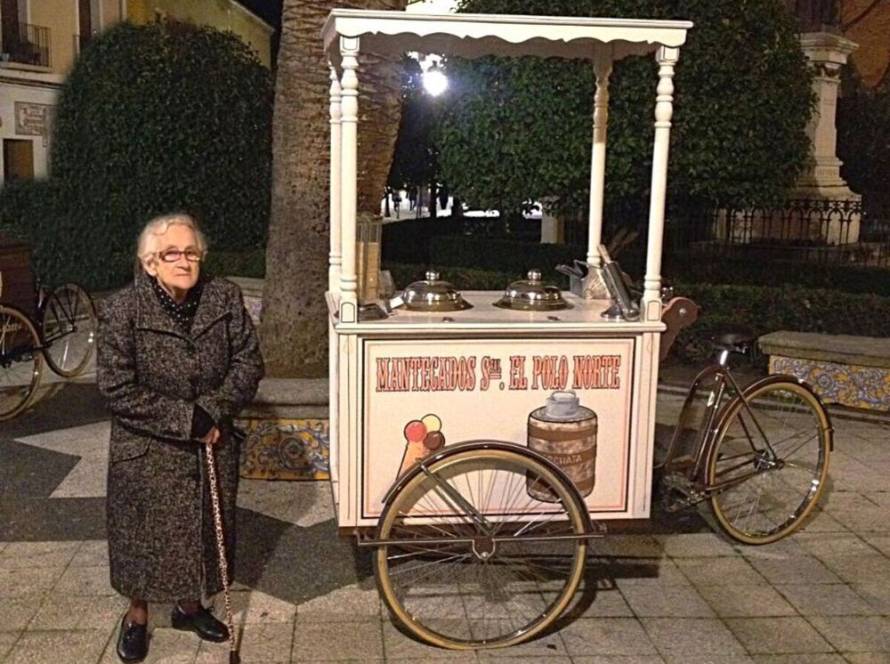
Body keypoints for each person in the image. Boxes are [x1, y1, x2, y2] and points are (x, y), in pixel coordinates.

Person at [97, 212, 264, 662]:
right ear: (150, 262)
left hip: (210, 441)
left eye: (192, 252)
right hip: (147, 448)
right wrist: (182, 418)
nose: (184, 261)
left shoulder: (223, 297)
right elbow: (115, 386)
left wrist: (212, 409)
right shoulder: (122, 310)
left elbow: (249, 362)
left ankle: (190, 607)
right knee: (142, 539)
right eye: (172, 253)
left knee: (204, 533)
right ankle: (137, 617)